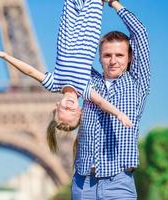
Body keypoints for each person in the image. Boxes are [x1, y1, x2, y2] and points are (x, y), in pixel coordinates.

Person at [0, 0, 133, 153]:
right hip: (89, 30)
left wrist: (6, 56)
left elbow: (29, 71)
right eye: (71, 111)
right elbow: (103, 103)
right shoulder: (85, 90)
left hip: (68, 27)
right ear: (80, 111)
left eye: (64, 108)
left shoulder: (53, 83)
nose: (69, 106)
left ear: (57, 105)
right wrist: (119, 114)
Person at [71, 0, 150, 199]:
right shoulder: (89, 80)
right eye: (107, 55)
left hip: (119, 182)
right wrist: (85, 7)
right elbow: (74, 50)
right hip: (83, 183)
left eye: (119, 55)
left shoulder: (137, 82)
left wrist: (114, 3)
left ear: (130, 57)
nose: (113, 60)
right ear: (99, 57)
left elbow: (140, 34)